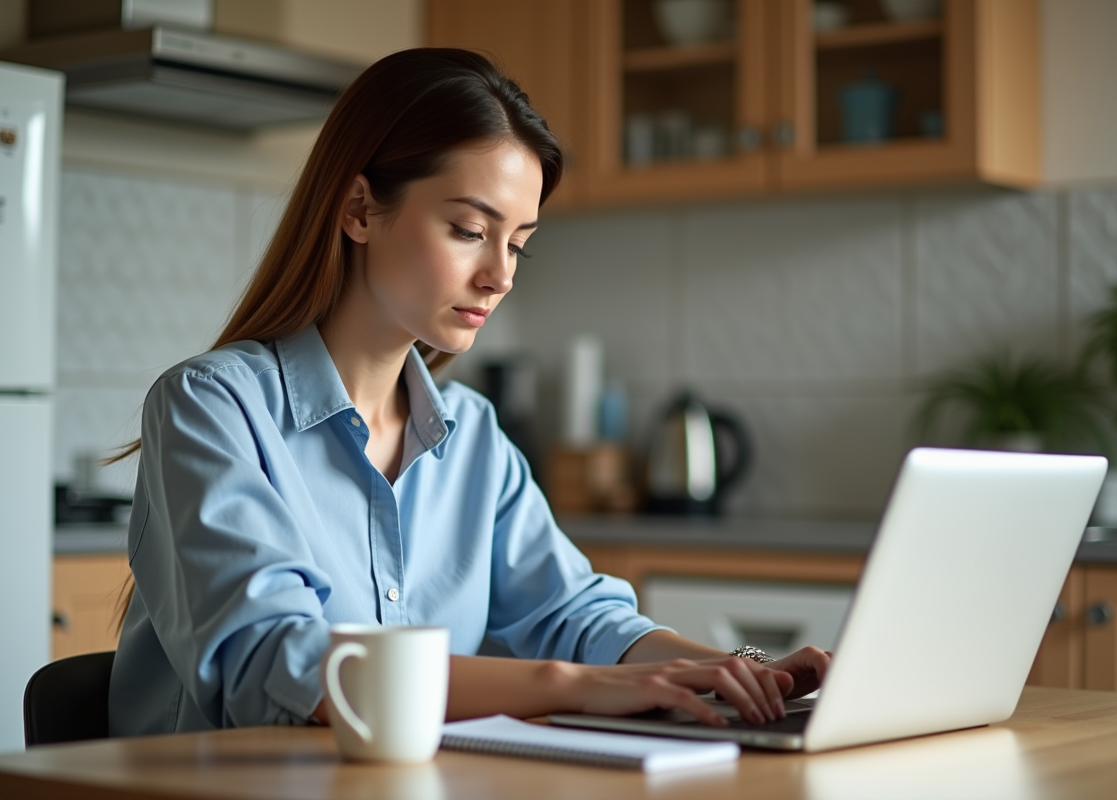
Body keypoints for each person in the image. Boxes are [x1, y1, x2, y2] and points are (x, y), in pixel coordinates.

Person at [108, 48, 831, 737]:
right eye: (468, 230)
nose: (501, 275)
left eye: (516, 243)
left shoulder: (473, 434)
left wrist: (741, 670)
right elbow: (278, 664)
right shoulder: (210, 407)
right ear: (359, 209)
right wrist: (570, 685)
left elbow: (571, 613)